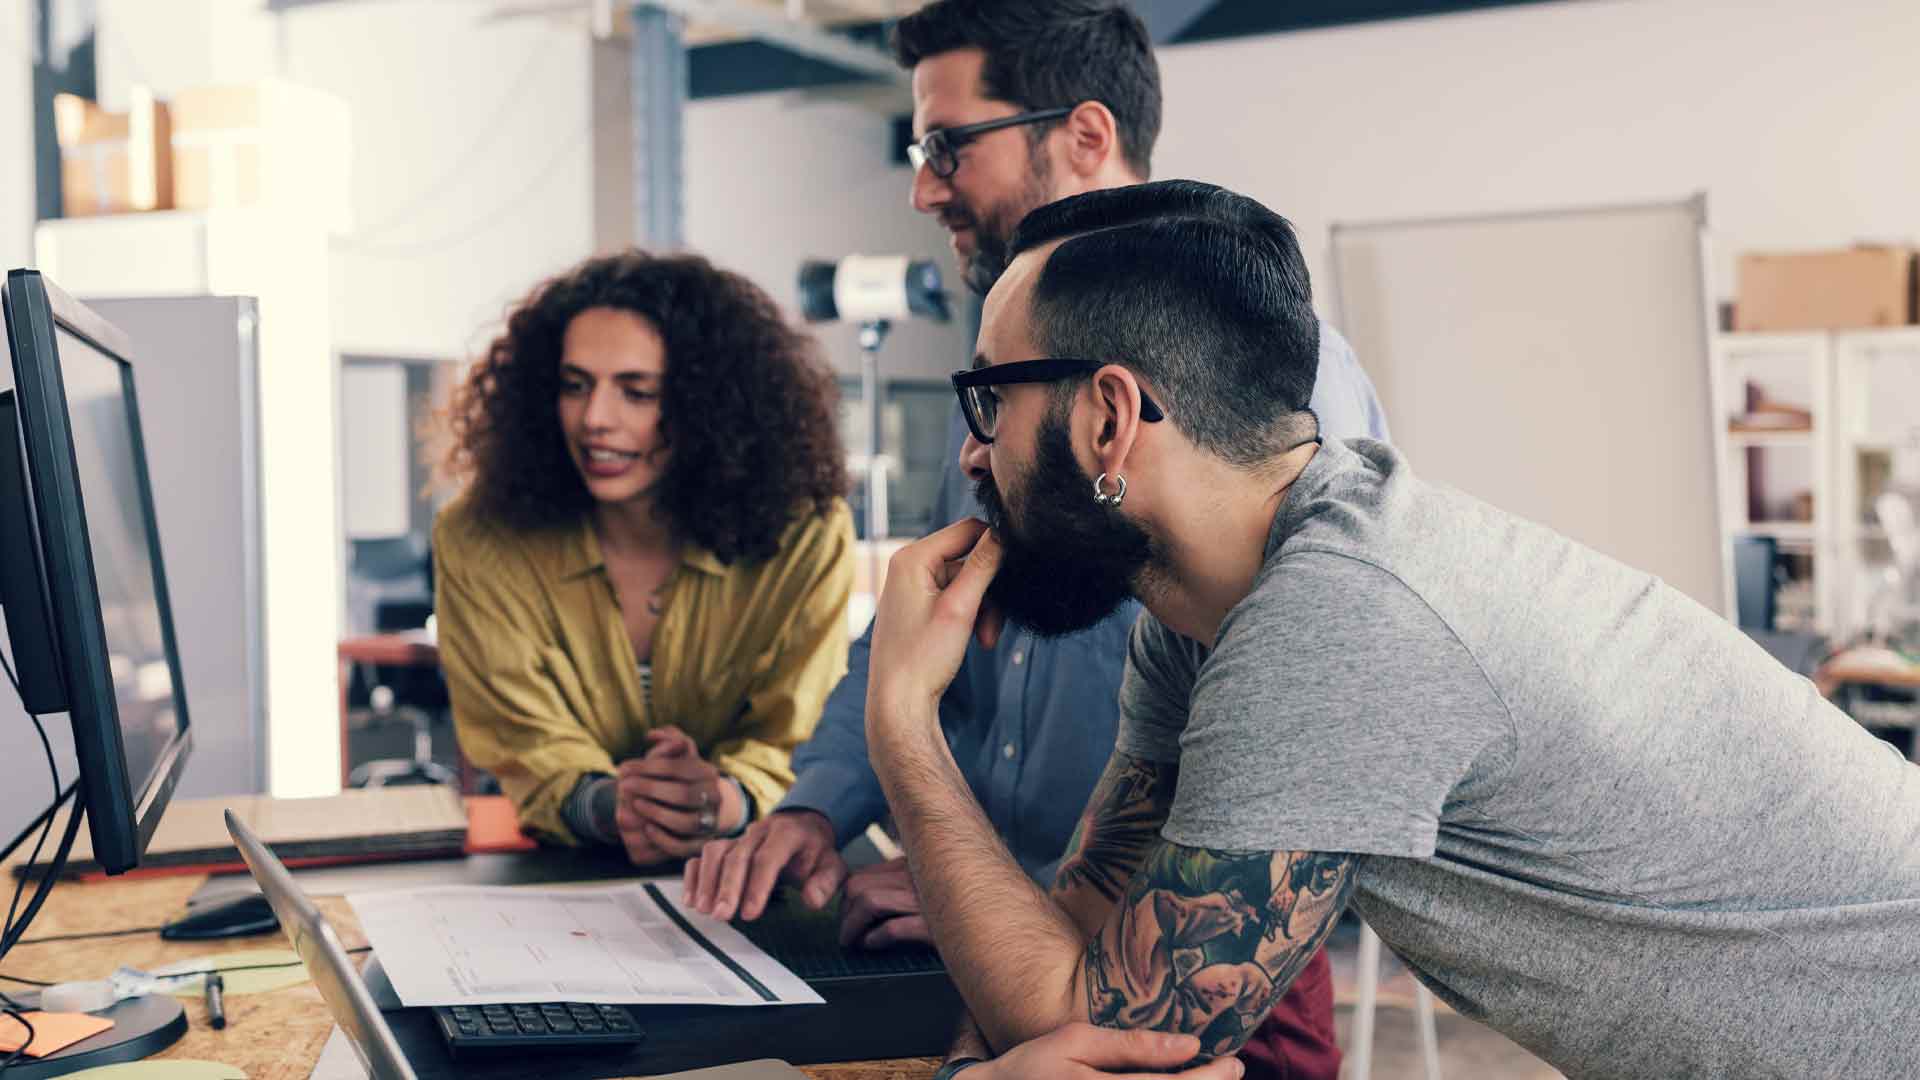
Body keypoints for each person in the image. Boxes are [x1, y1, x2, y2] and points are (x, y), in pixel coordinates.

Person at [859, 177, 1920, 1077]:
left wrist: (904, 722)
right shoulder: (1201, 620)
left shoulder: (1336, 617)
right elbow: (1078, 951)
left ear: (1107, 418)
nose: (970, 451)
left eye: (989, 396)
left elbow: (1099, 1030)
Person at [684, 3, 1382, 1078]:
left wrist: (980, 889)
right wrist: (828, 809)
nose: (923, 187)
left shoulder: (1270, 384)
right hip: (1012, 942)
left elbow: (1280, 759)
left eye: (948, 146)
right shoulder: (1012, 371)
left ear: (1086, 137)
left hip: (1190, 975)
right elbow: (939, 612)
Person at [434, 250, 855, 867]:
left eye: (637, 392)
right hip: (562, 877)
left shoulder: (806, 535)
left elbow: (797, 736)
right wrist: (615, 806)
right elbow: (526, 746)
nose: (595, 420)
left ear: (710, 406)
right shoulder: (480, 538)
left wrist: (721, 800)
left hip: (760, 864)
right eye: (574, 386)